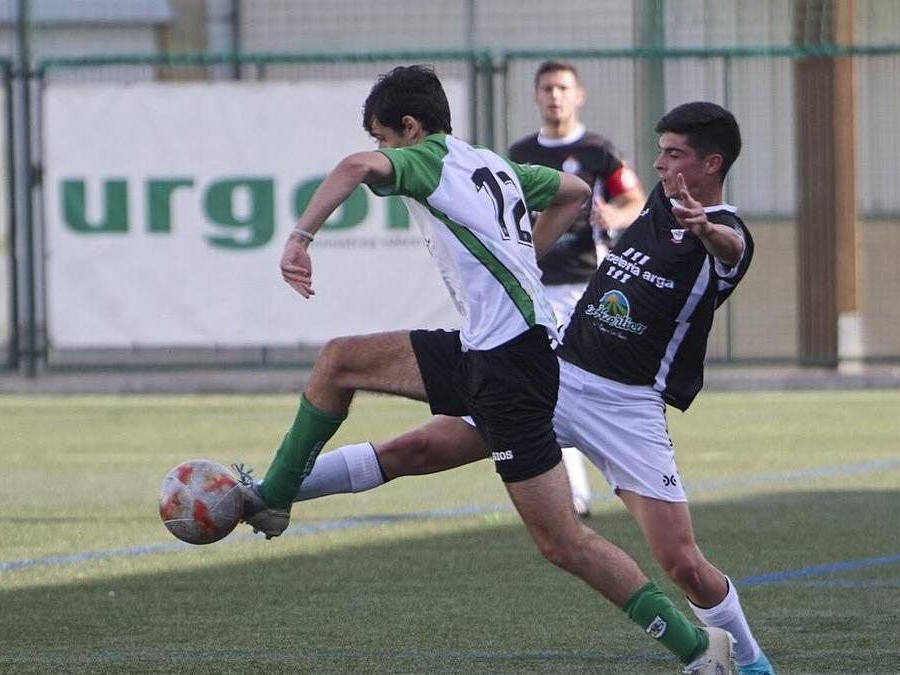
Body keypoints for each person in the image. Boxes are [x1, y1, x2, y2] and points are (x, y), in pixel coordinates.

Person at [236, 66, 734, 674]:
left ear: (412, 128)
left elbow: (352, 169)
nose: (381, 153)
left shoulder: (424, 160)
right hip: (488, 349)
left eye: (384, 138)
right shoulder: (489, 163)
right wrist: (522, 258)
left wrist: (299, 238)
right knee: (341, 362)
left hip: (512, 370)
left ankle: (699, 651)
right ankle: (273, 496)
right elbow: (575, 192)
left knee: (562, 542)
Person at [508, 61, 647, 516]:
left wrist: (618, 217)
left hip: (590, 287)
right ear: (536, 97)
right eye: (547, 88)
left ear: (578, 95)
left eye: (563, 88)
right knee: (547, 387)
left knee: (599, 385)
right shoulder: (521, 152)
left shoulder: (598, 151)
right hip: (538, 287)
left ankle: (633, 478)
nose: (555, 96)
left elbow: (635, 199)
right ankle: (573, 495)